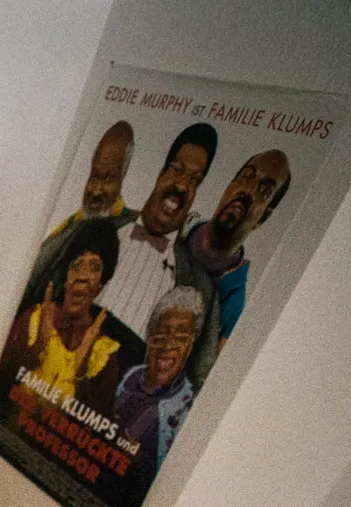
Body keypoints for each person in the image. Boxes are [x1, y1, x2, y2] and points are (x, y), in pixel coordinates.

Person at [31, 124, 221, 389]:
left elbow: (197, 384)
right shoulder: (93, 226)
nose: (182, 185)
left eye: (194, 179)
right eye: (177, 170)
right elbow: (32, 279)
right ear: (160, 173)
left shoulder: (201, 289)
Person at [0, 216, 136, 415]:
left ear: (102, 282)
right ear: (66, 276)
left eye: (94, 268)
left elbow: (95, 425)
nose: (82, 276)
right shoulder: (34, 319)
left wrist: (80, 375)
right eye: (77, 265)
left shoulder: (105, 354)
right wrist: (36, 349)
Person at [185, 149, 291, 345]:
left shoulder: (232, 304)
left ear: (263, 217)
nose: (248, 190)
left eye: (264, 191)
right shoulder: (173, 227)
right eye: (246, 177)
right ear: (229, 186)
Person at [113, 286, 204, 472]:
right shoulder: (132, 375)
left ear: (190, 344)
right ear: (150, 337)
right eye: (162, 332)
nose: (168, 344)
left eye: (181, 336)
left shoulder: (187, 408)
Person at [44, 120, 133, 237]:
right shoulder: (70, 225)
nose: (96, 191)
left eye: (108, 179)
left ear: (123, 174)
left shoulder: (129, 230)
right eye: (95, 177)